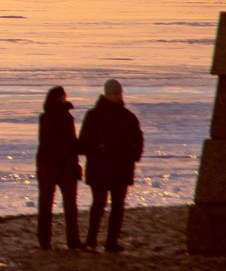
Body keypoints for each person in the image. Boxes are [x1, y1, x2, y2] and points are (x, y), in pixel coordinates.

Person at [77, 79, 144, 253]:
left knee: (117, 206)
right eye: (114, 94)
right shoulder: (94, 116)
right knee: (98, 204)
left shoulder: (127, 116)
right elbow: (83, 144)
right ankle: (91, 240)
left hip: (121, 169)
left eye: (118, 93)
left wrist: (134, 156)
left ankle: (111, 241)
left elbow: (138, 138)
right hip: (100, 169)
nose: (117, 97)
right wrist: (99, 149)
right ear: (106, 94)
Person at [35, 86, 83, 250]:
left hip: (48, 167)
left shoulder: (46, 117)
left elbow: (54, 143)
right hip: (62, 167)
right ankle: (72, 240)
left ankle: (45, 241)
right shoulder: (63, 118)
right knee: (69, 205)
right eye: (63, 97)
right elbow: (68, 143)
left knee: (46, 205)